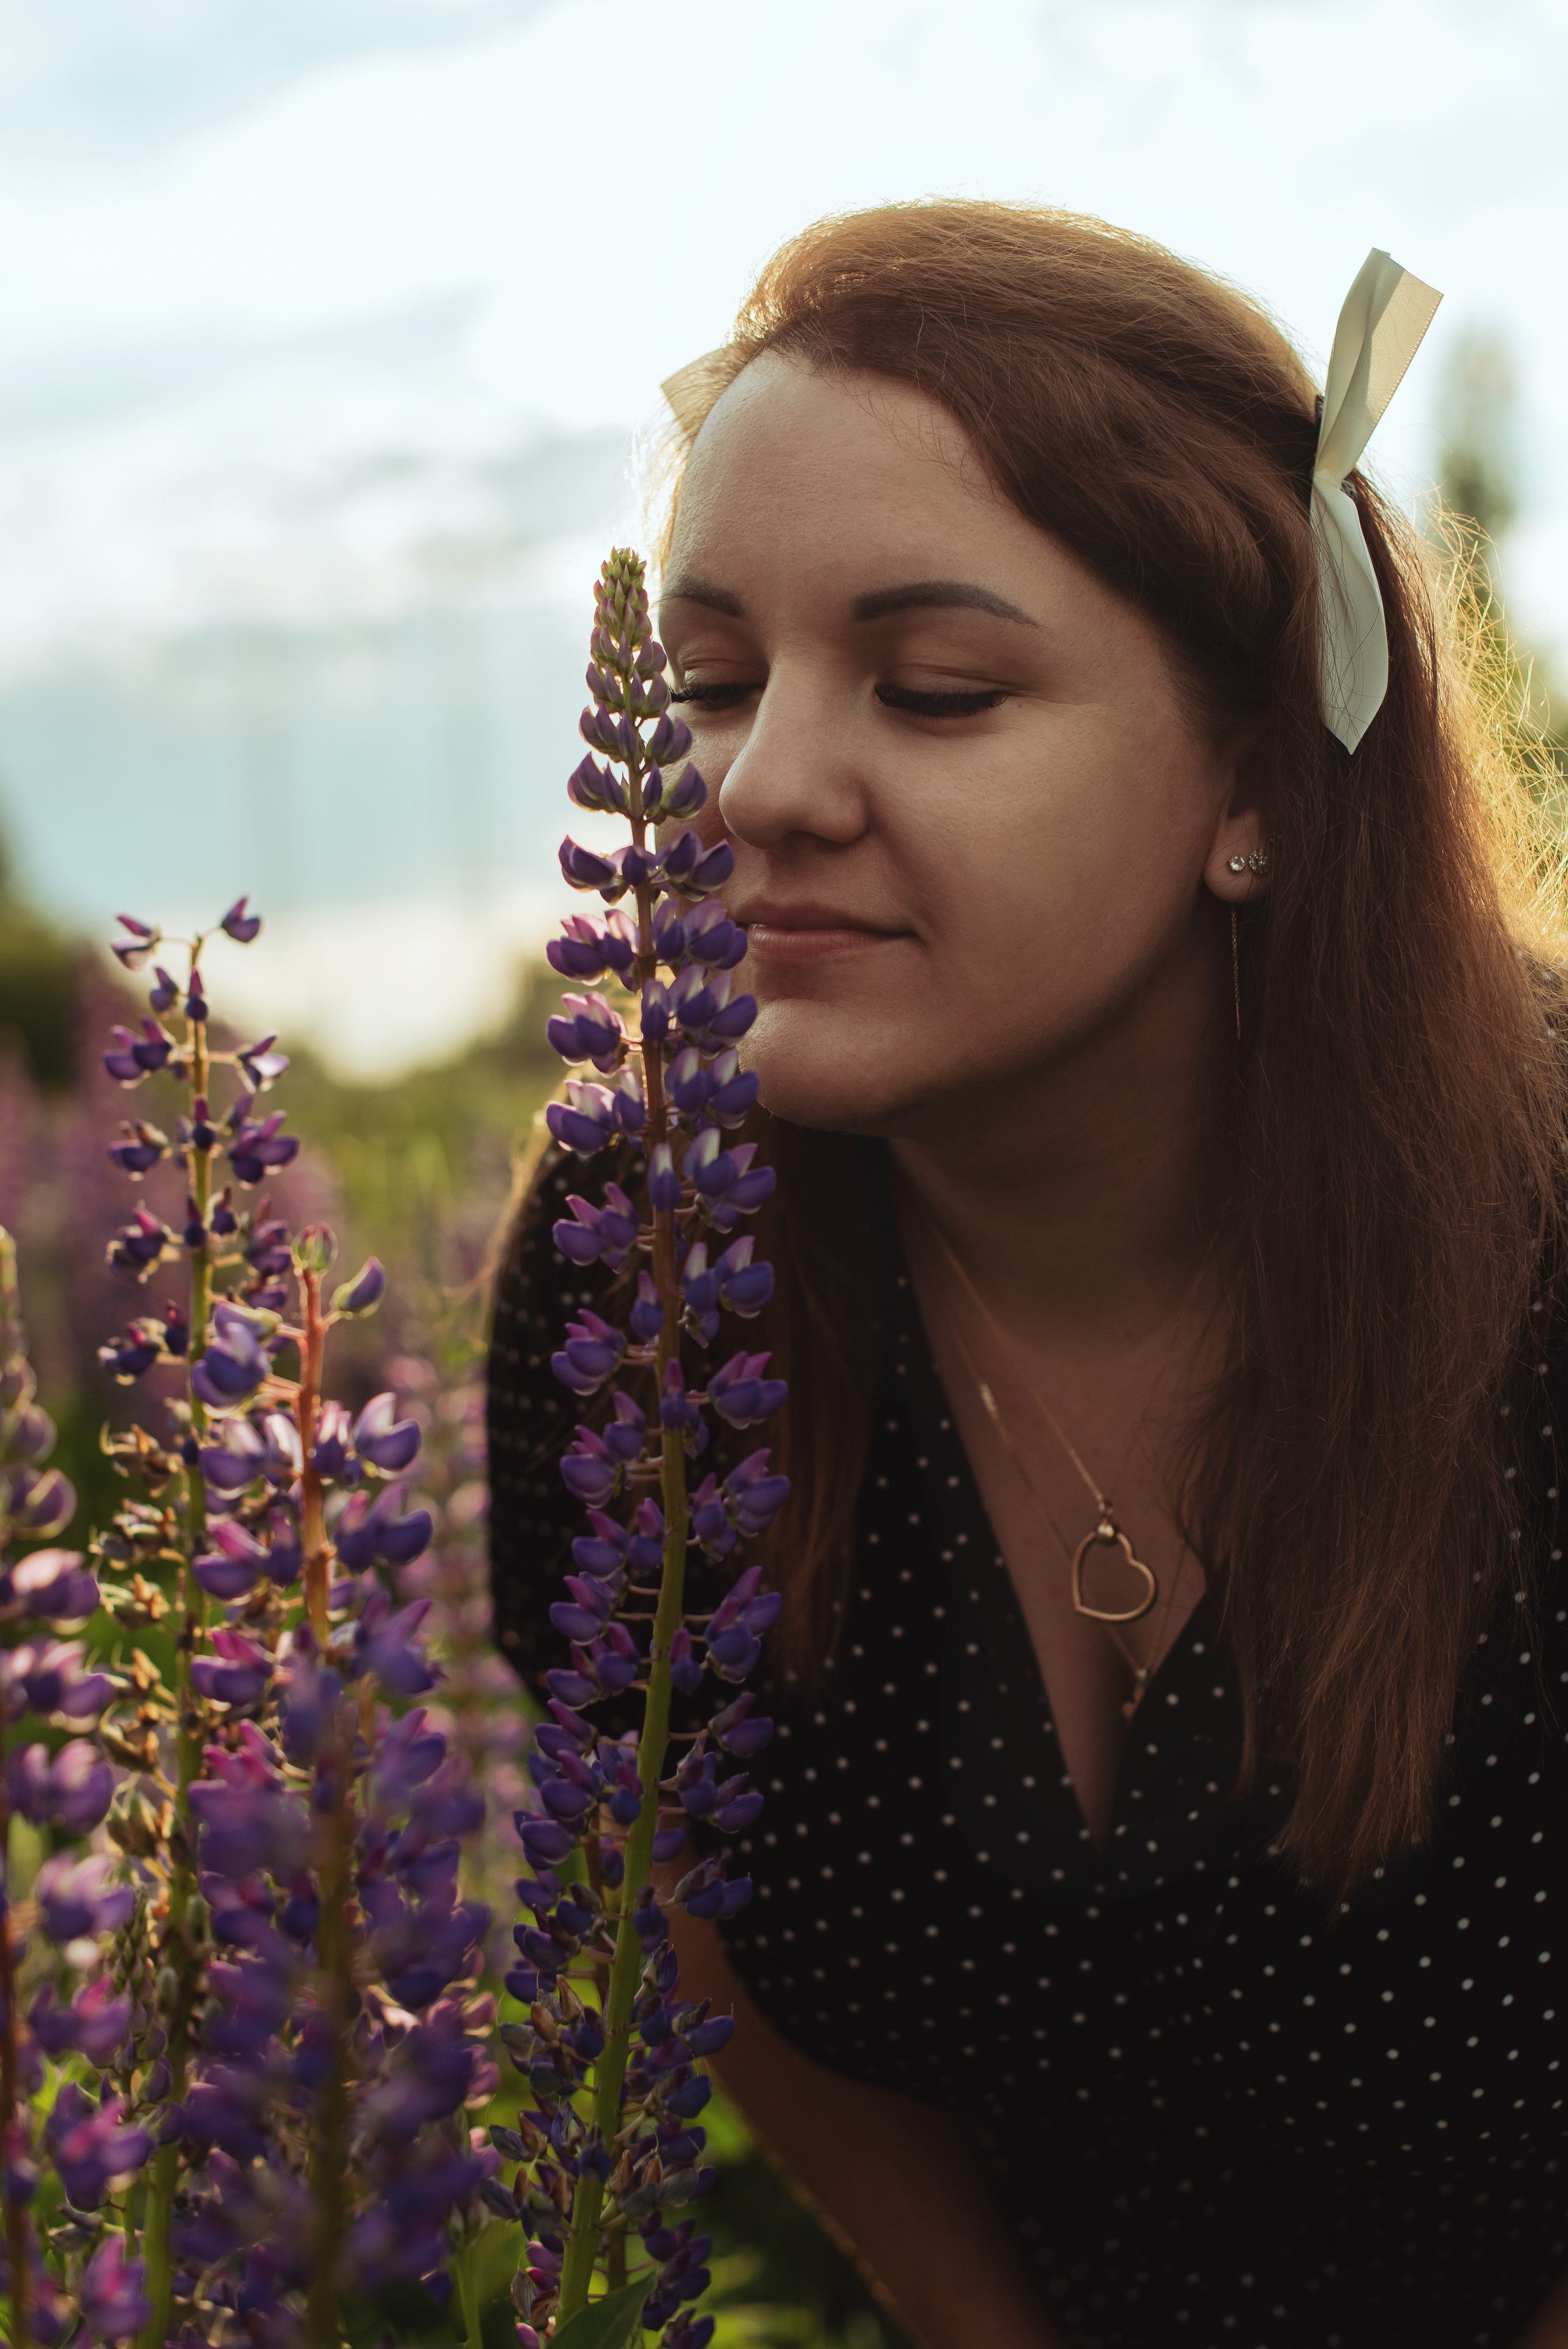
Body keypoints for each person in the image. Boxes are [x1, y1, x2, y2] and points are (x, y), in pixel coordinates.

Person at [487, 203, 1568, 2349]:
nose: (757, 782)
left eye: (936, 689)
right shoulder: (650, 1260)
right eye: (710, 683)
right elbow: (683, 1881)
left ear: (1251, 776)